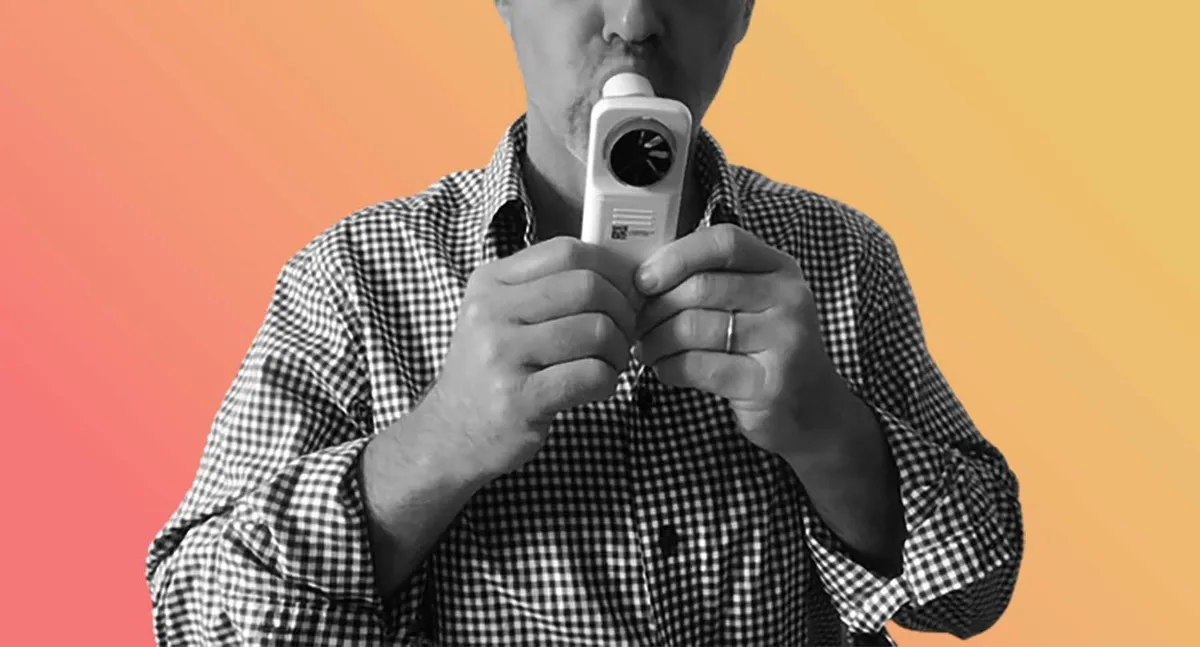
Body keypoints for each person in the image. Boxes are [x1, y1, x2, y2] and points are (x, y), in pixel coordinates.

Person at [145, 1, 1024, 645]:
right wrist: (437, 443)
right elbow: (197, 618)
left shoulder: (840, 258)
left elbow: (973, 594)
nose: (634, 22)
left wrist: (830, 432)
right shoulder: (352, 278)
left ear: (745, 10)